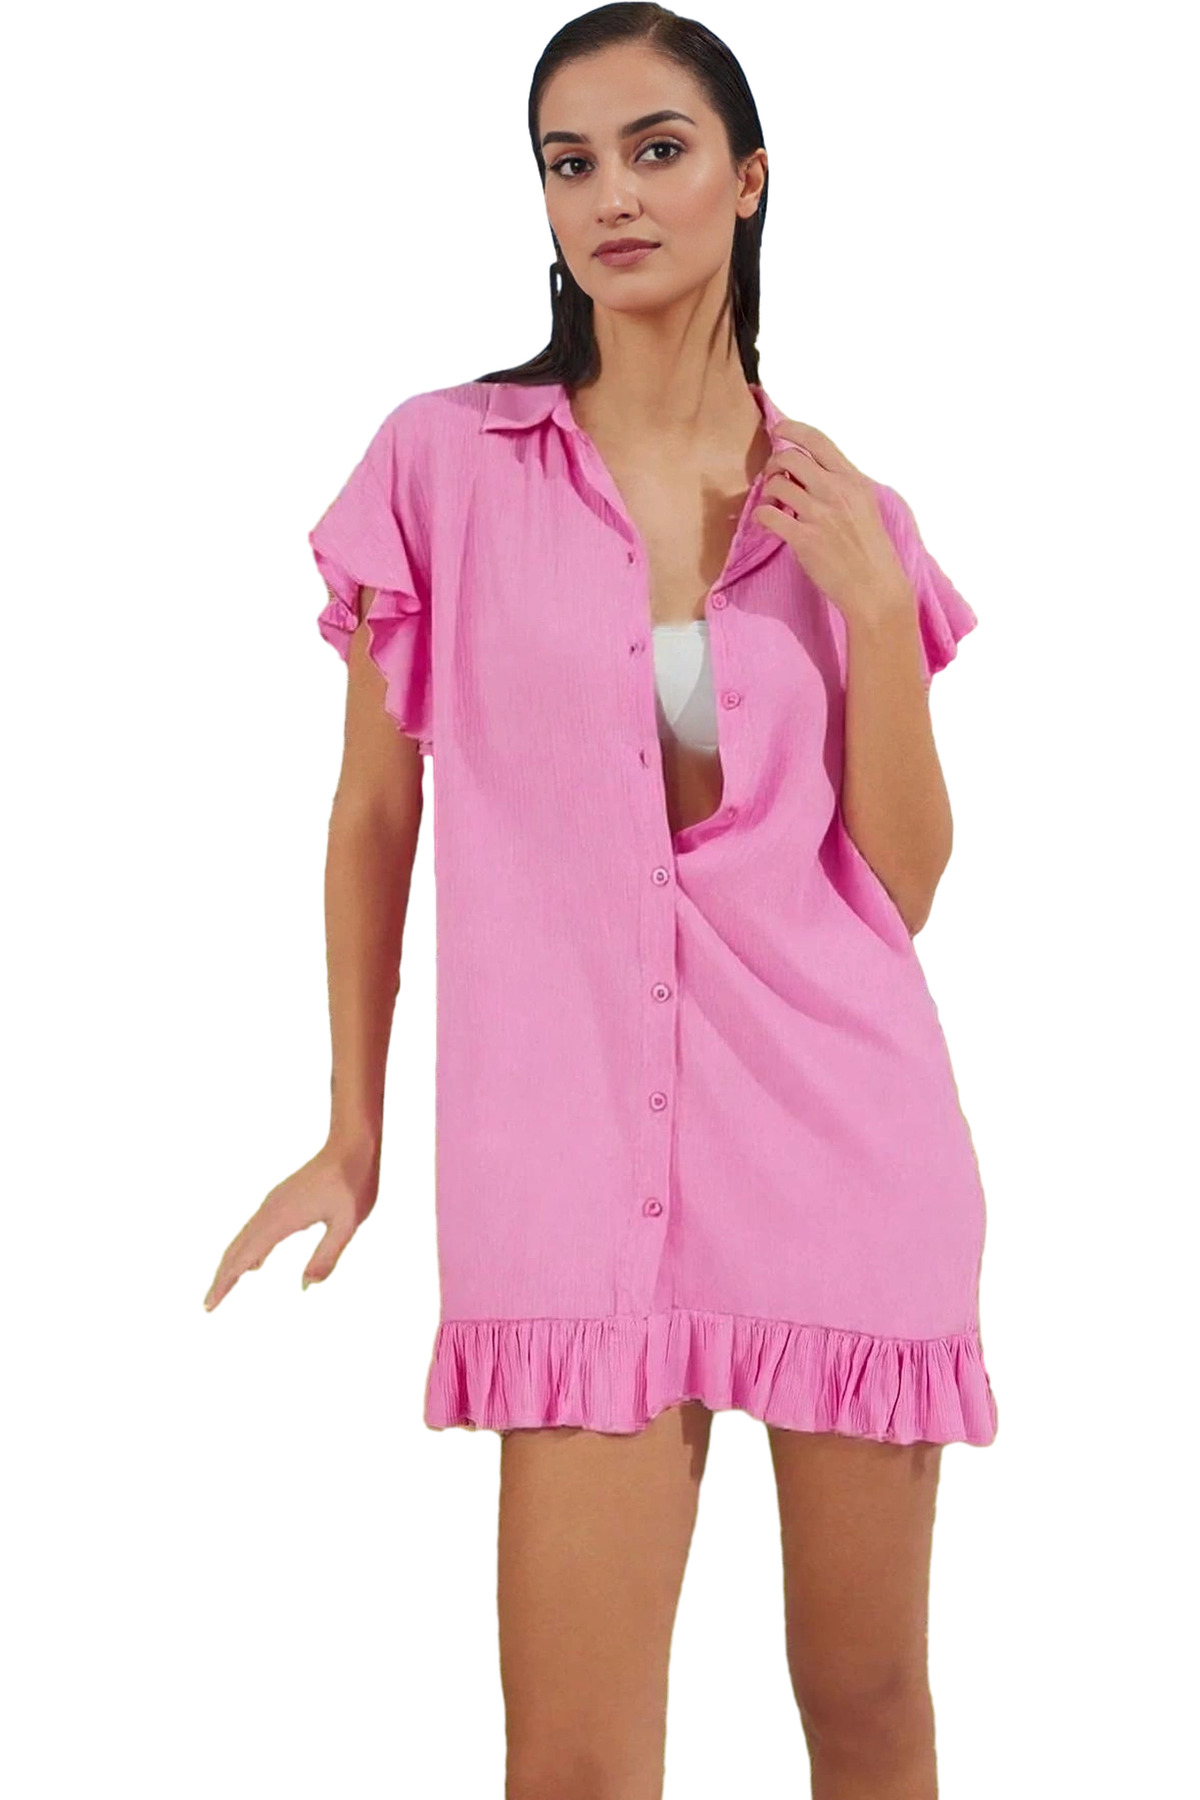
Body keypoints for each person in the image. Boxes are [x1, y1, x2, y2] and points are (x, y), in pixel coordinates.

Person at [204, 5, 998, 1795]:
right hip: (565, 1164)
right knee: (569, 1758)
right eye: (571, 163)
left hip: (843, 1146)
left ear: (749, 178)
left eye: (657, 150)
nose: (612, 197)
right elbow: (374, 813)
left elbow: (905, 883)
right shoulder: (445, 465)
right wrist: (352, 1131)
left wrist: (878, 614)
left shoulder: (849, 514)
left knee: (868, 1708)